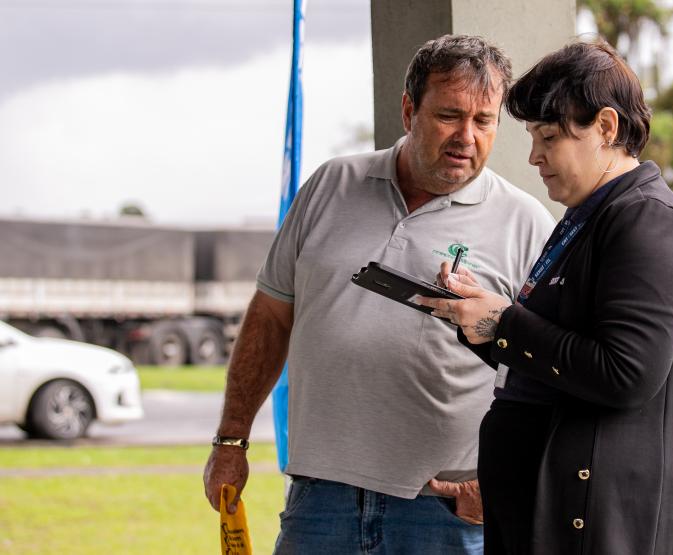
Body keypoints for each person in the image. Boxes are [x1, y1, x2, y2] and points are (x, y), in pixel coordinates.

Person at [202, 34, 554, 554]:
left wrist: (505, 483)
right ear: (409, 109)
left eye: (484, 121)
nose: (467, 137)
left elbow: (552, 370)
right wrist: (231, 439)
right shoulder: (329, 186)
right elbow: (270, 319)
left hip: (445, 509)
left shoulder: (527, 223)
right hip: (319, 500)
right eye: (449, 115)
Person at [420, 41, 673, 555]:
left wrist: (505, 323)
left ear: (605, 128)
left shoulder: (647, 221)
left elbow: (625, 374)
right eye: (533, 136)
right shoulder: (592, 215)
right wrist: (477, 320)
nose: (533, 156)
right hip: (552, 514)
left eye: (548, 136)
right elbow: (560, 360)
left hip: (595, 524)